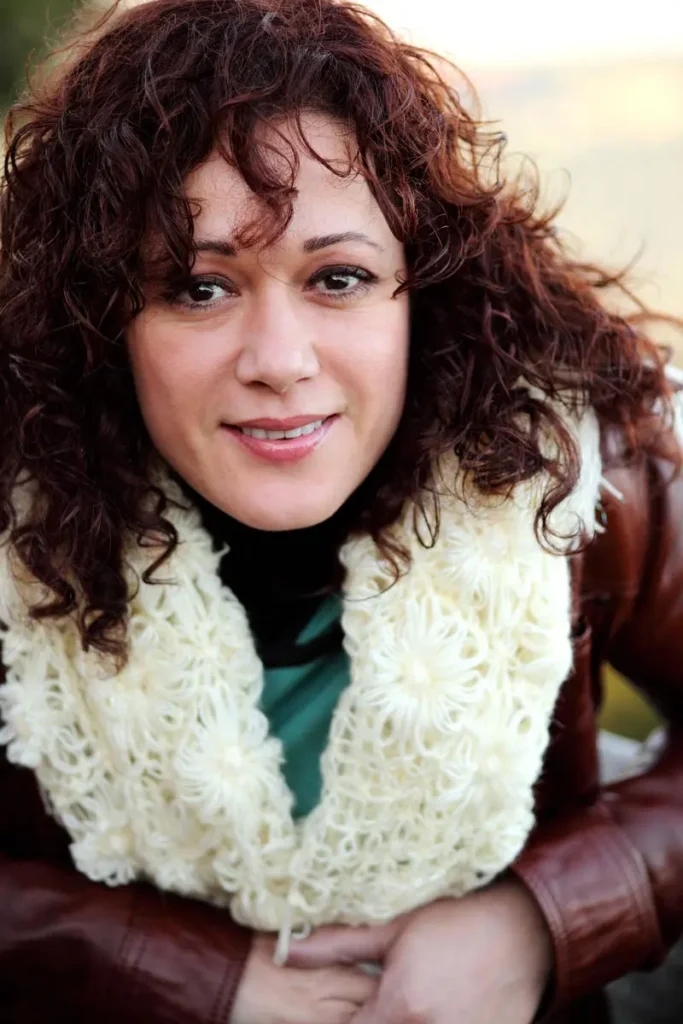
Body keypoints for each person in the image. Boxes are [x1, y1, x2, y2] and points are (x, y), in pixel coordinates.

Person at [0, 0, 682, 1021]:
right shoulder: (18, 523)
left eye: (339, 277)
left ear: (422, 293)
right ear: (103, 316)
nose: (278, 360)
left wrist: (538, 921)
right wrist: (194, 979)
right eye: (198, 287)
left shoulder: (577, 473)